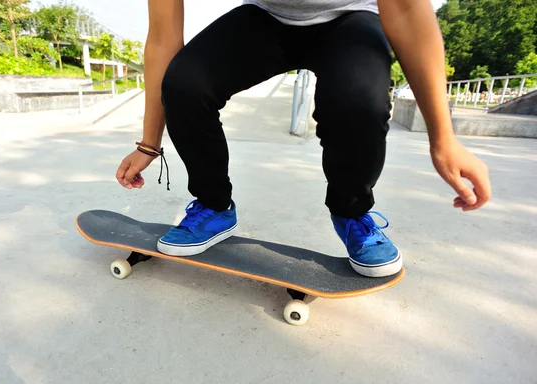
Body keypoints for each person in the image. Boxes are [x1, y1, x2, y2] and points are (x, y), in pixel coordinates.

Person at [116, 0, 492, 277]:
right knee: (185, 83)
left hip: (351, 17)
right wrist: (150, 142)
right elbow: (164, 35)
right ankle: (214, 206)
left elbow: (407, 10)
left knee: (356, 100)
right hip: (265, 17)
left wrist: (443, 139)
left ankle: (352, 213)